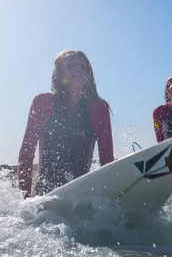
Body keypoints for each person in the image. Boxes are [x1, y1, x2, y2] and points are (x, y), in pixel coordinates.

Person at [17, 49, 114, 197]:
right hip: (45, 193)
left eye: (83, 66)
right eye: (71, 65)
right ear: (59, 73)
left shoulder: (99, 107)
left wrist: (109, 199)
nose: (78, 68)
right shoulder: (43, 102)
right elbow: (26, 153)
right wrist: (25, 199)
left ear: (88, 74)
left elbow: (106, 159)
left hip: (80, 193)